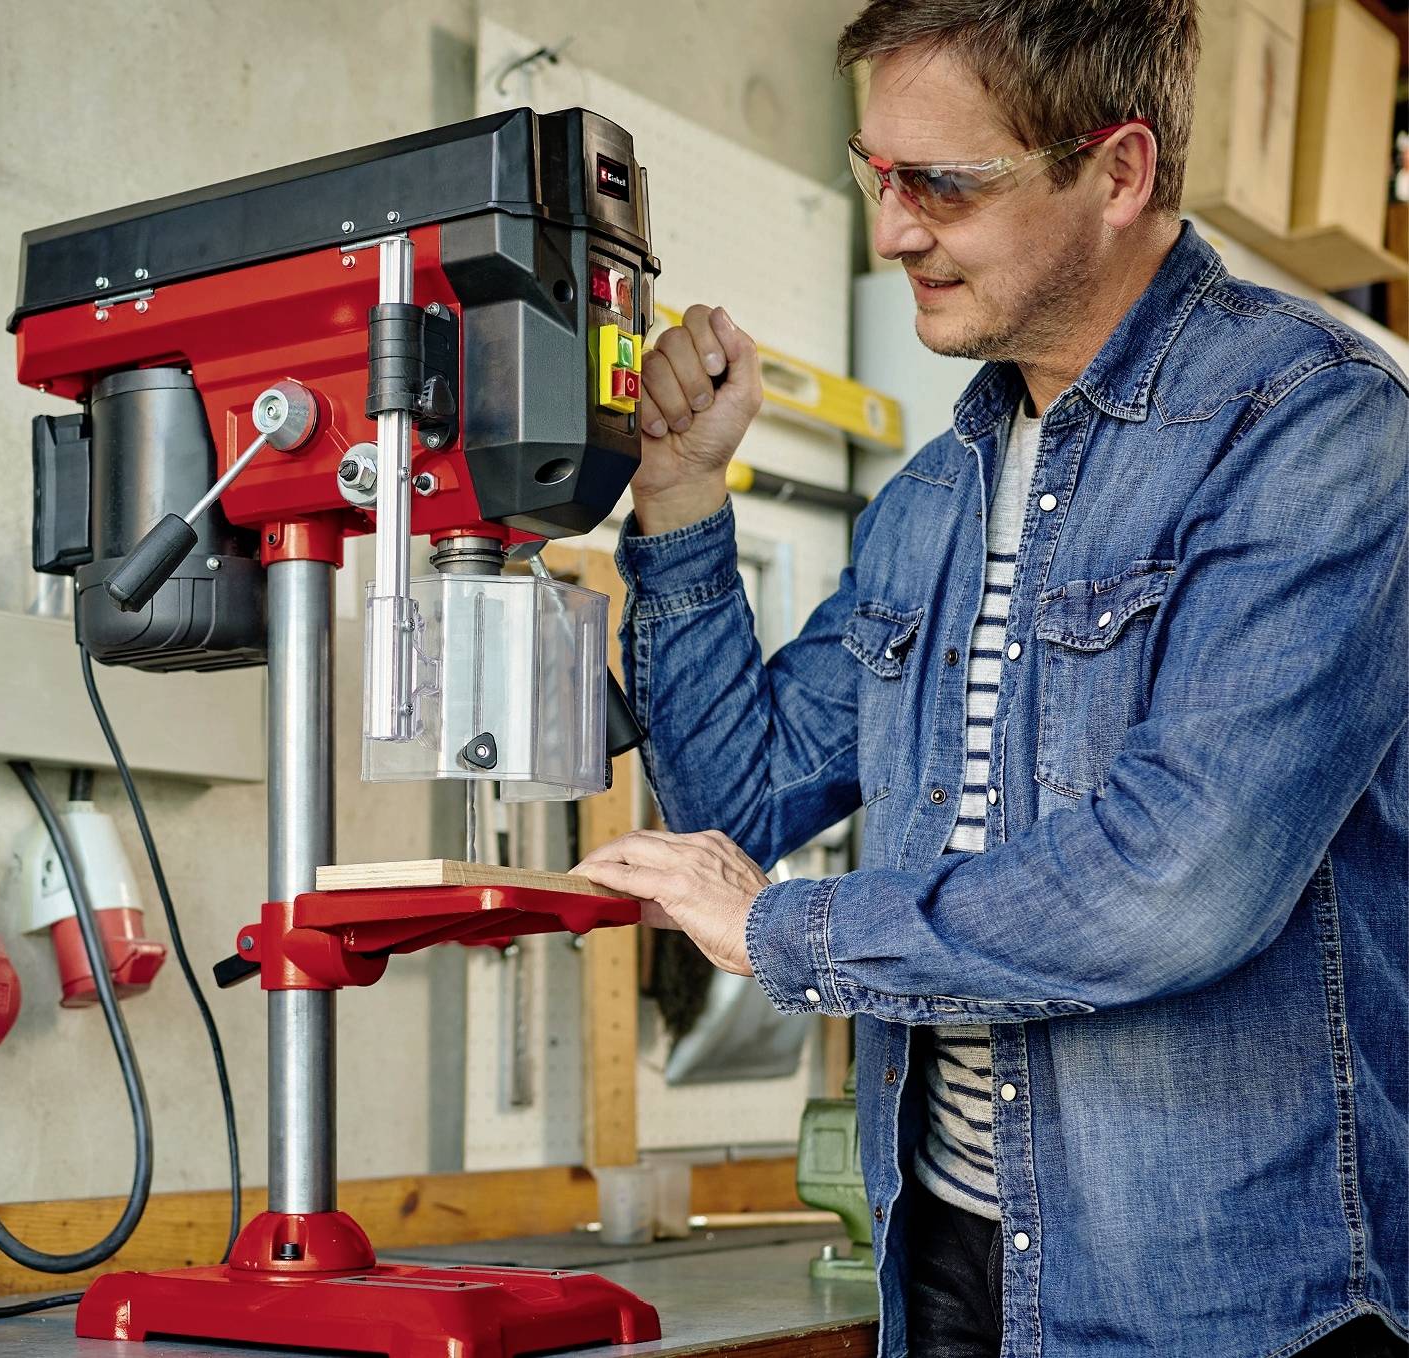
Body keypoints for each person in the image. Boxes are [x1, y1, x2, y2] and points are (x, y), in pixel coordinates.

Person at [572, 2, 1409, 1354]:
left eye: (943, 184)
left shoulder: (1313, 430)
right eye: (875, 173)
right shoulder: (933, 502)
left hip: (1214, 1299)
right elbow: (741, 789)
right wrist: (678, 493)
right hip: (949, 1263)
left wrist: (790, 932)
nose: (893, 229)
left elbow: (1176, 882)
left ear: (1120, 172)